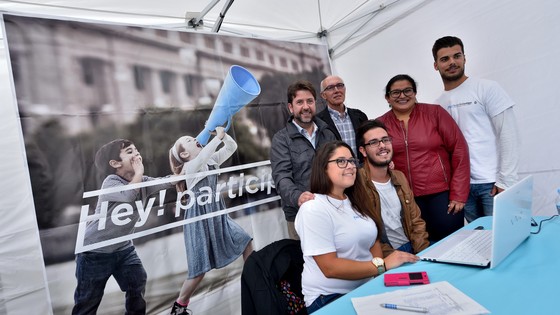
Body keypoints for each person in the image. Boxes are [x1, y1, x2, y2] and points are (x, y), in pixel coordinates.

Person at [295, 140, 419, 313]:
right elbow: (330, 268)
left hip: (366, 287)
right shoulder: (314, 208)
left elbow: (373, 241)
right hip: (330, 297)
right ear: (323, 168)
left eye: (352, 161)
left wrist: (378, 278)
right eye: (341, 161)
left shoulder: (356, 201)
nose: (350, 166)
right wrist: (382, 265)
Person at [73, 139, 175, 315]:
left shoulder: (142, 180)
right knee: (87, 301)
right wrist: (139, 172)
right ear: (115, 163)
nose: (136, 154)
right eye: (129, 152)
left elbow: (166, 182)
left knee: (137, 281)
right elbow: (128, 195)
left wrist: (184, 172)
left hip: (123, 248)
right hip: (94, 252)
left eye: (136, 149)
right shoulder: (110, 183)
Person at [432, 36, 520, 223]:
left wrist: (506, 181)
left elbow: (509, 134)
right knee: (478, 240)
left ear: (465, 58)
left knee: (501, 237)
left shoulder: (486, 88)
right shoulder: (438, 104)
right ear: (436, 65)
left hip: (493, 183)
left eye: (457, 56)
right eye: (445, 59)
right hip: (462, 186)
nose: (452, 62)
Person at [168, 126, 253, 315]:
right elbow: (202, 157)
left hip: (217, 215)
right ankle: (179, 306)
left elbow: (231, 147)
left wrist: (223, 136)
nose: (195, 138)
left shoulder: (211, 160)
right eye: (189, 140)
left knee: (245, 240)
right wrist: (216, 139)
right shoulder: (190, 167)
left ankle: (253, 281)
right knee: (199, 268)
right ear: (184, 153)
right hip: (198, 220)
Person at [377, 74, 470, 242]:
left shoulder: (435, 113)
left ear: (415, 93)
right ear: (387, 97)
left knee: (452, 244)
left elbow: (459, 150)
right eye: (396, 92)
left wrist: (459, 193)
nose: (402, 96)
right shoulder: (380, 124)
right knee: (420, 249)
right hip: (404, 197)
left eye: (407, 90)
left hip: (442, 195)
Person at [270, 79, 337, 240]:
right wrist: (298, 196)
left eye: (310, 101)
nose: (306, 107)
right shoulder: (281, 139)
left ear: (315, 103)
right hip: (301, 214)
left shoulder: (327, 133)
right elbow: (281, 177)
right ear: (291, 107)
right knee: (306, 262)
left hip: (333, 209)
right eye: (299, 102)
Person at [357, 119, 430, 256]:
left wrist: (422, 254)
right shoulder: (356, 184)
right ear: (363, 151)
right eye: (374, 142)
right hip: (385, 255)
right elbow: (365, 236)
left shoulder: (399, 177)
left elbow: (416, 222)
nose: (382, 146)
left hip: (413, 248)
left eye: (385, 140)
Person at [316, 75, 368, 157]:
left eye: (340, 86)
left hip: (362, 168)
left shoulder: (360, 116)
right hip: (336, 168)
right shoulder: (318, 121)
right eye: (330, 87)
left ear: (345, 89)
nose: (336, 90)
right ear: (323, 95)